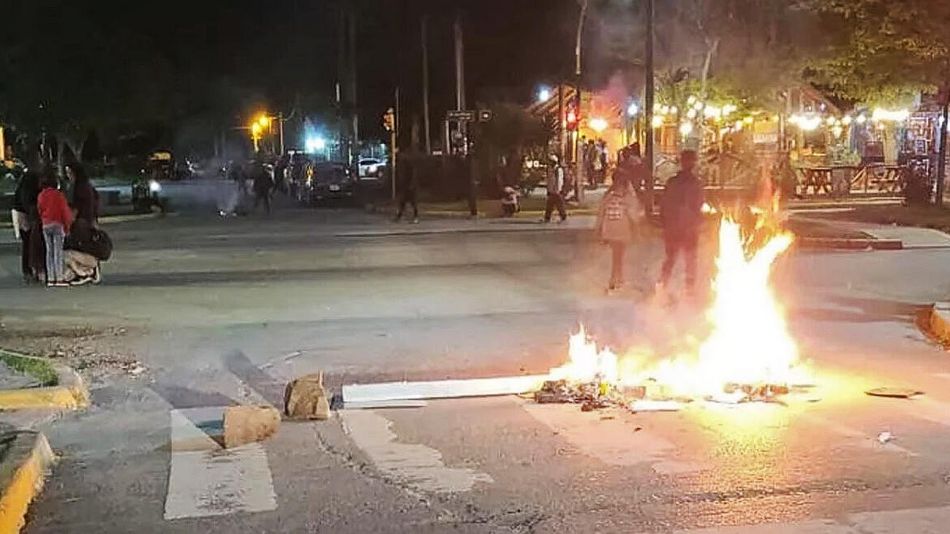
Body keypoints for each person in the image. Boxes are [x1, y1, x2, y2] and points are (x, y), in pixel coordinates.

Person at [658, 149, 704, 294]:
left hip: (674, 227)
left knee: (671, 258)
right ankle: (688, 289)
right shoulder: (695, 184)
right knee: (689, 259)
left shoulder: (672, 182)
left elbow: (663, 205)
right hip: (688, 228)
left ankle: (662, 286)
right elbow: (698, 205)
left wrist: (664, 223)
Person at [596, 174, 643, 292]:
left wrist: (599, 230)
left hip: (610, 230)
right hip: (622, 230)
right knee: (619, 255)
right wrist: (637, 229)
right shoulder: (627, 197)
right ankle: (616, 279)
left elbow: (601, 213)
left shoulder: (608, 195)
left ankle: (617, 278)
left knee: (616, 255)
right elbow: (633, 216)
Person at [37, 172, 73, 287]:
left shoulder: (41, 195)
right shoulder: (58, 195)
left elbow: (40, 210)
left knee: (49, 251)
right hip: (57, 223)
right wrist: (67, 227)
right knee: (58, 251)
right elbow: (65, 212)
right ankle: (59, 277)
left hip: (46, 224)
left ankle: (51, 278)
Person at [12, 171, 41, 283]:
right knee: (30, 243)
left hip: (20, 214)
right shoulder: (30, 190)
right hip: (25, 216)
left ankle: (28, 270)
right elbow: (28, 204)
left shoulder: (23, 188)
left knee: (27, 243)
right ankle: (31, 269)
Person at [543, 154, 567, 223]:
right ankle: (547, 217)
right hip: (551, 190)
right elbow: (549, 180)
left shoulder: (558, 169)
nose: (549, 163)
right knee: (550, 204)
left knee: (559, 204)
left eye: (550, 161)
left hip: (556, 190)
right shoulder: (550, 169)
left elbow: (559, 180)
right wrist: (548, 189)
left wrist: (558, 189)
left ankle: (563, 216)